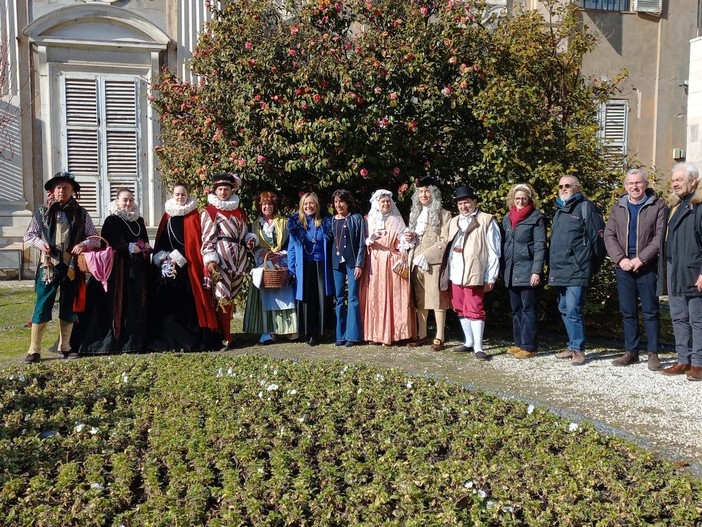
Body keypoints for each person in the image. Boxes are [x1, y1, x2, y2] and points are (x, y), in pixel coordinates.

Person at [23, 171, 99, 363]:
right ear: (52, 190)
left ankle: (65, 346)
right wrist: (41, 244)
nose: (61, 190)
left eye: (65, 187)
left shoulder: (82, 214)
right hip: (48, 266)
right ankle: (34, 350)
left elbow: (93, 237)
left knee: (68, 305)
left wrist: (83, 245)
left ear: (72, 190)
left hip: (71, 266)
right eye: (58, 187)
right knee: (42, 305)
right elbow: (29, 236)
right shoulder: (41, 213)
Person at [70, 188, 152, 355]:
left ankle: (133, 343)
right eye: (124, 200)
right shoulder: (112, 220)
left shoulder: (139, 220)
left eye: (130, 199)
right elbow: (108, 243)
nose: (128, 203)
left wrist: (144, 247)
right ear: (117, 201)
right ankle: (108, 344)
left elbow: (142, 237)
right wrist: (126, 246)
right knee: (114, 305)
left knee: (135, 305)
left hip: (136, 270)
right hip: (115, 271)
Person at [604, 169, 666, 370]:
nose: (635, 187)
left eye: (638, 183)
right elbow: (609, 235)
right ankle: (631, 351)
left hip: (647, 267)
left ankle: (653, 353)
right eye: (630, 184)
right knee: (628, 311)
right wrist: (620, 259)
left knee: (651, 311)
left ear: (646, 184)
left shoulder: (658, 206)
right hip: (624, 267)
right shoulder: (618, 207)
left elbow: (660, 237)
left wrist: (642, 258)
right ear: (625, 186)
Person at [149, 183, 219, 352]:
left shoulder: (194, 216)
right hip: (167, 265)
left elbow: (195, 244)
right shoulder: (167, 216)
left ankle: (189, 340)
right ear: (172, 195)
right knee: (167, 302)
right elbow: (162, 239)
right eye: (177, 194)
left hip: (188, 268)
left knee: (188, 303)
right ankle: (169, 340)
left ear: (188, 195)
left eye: (183, 194)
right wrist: (163, 257)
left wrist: (178, 257)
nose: (180, 197)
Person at [548, 175, 606, 366]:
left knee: (573, 309)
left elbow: (598, 241)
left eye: (568, 186)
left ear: (578, 188)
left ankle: (579, 349)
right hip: (559, 269)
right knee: (563, 308)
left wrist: (590, 267)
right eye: (561, 186)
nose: (563, 189)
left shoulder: (586, 208)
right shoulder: (559, 211)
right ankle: (572, 345)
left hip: (577, 269)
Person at [444, 186, 501, 360]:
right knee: (460, 307)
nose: (464, 206)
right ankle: (468, 342)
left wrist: (491, 275)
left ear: (474, 202)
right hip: (456, 272)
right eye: (460, 203)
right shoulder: (453, 221)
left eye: (467, 202)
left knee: (475, 307)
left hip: (475, 271)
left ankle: (478, 346)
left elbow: (494, 251)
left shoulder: (487, 220)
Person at [201, 173, 256, 349]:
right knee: (222, 297)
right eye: (220, 189)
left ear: (232, 189)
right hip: (221, 260)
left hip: (239, 260)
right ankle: (226, 338)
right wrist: (211, 260)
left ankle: (226, 333)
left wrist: (251, 240)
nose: (223, 192)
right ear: (215, 191)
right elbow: (208, 239)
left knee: (231, 298)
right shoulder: (210, 211)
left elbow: (245, 233)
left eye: (226, 189)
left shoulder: (240, 211)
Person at [658, 163, 702, 381]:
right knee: (678, 317)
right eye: (673, 180)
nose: (674, 183)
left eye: (679, 179)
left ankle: (698, 363)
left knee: (697, 319)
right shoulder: (676, 205)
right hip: (675, 270)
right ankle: (683, 358)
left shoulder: (699, 206)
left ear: (693, 181)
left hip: (695, 271)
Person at [360, 189, 417, 345]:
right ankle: (375, 334)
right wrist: (369, 240)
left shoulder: (396, 220)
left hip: (390, 261)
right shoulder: (369, 220)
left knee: (391, 297)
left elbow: (402, 242)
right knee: (375, 297)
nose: (386, 204)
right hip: (374, 262)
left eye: (388, 201)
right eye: (383, 201)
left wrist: (407, 239)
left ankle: (393, 334)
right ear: (377, 204)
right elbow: (362, 241)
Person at [243, 191, 298, 343]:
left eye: (270, 204)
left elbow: (290, 243)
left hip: (281, 262)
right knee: (266, 295)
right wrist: (260, 251)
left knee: (285, 295)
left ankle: (289, 329)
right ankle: (269, 330)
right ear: (260, 206)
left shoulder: (284, 223)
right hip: (264, 264)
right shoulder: (254, 226)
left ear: (274, 206)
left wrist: (281, 254)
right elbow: (251, 247)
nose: (267, 207)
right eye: (264, 204)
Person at [405, 176, 452, 351]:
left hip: (433, 263)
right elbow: (412, 237)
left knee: (437, 299)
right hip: (415, 262)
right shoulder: (414, 214)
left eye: (427, 191)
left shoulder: (444, 214)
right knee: (420, 299)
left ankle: (440, 336)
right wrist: (408, 240)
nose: (423, 195)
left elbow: (445, 240)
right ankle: (422, 334)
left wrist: (427, 255)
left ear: (434, 193)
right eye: (420, 192)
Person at [501, 183, 547, 359]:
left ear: (529, 200)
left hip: (527, 270)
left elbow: (540, 246)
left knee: (528, 308)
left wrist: (536, 271)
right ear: (513, 199)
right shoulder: (507, 218)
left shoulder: (536, 218)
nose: (520, 201)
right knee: (516, 309)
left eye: (524, 199)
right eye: (517, 198)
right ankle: (519, 342)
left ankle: (529, 346)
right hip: (511, 271)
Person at [287, 192, 334, 346]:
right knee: (307, 300)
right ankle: (308, 332)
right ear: (302, 206)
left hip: (321, 265)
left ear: (317, 205)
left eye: (311, 203)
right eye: (305, 204)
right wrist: (292, 269)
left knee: (320, 298)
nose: (308, 206)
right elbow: (292, 249)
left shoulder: (326, 222)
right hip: (304, 266)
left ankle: (319, 332)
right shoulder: (296, 223)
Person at [330, 189, 366, 347]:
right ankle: (340, 334)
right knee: (338, 298)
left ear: (347, 202)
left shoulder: (356, 219)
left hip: (352, 263)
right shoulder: (331, 220)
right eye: (336, 202)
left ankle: (353, 335)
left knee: (352, 297)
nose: (338, 205)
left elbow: (361, 243)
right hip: (336, 263)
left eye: (341, 201)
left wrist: (359, 263)